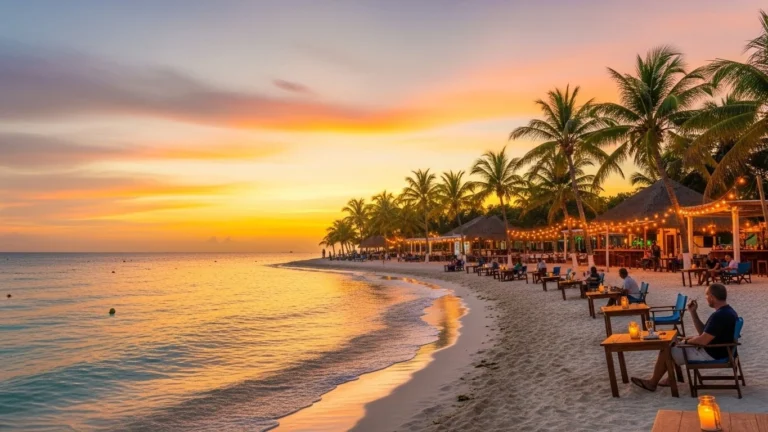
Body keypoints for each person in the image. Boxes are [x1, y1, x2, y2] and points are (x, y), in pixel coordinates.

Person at [631, 283, 738, 392]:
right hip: (720, 350)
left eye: (706, 296)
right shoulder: (727, 311)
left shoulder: (719, 316)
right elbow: (703, 332)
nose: (706, 299)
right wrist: (693, 312)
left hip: (712, 354)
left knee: (666, 349)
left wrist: (688, 340)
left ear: (712, 297)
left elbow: (703, 340)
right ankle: (670, 379)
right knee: (674, 343)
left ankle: (652, 383)